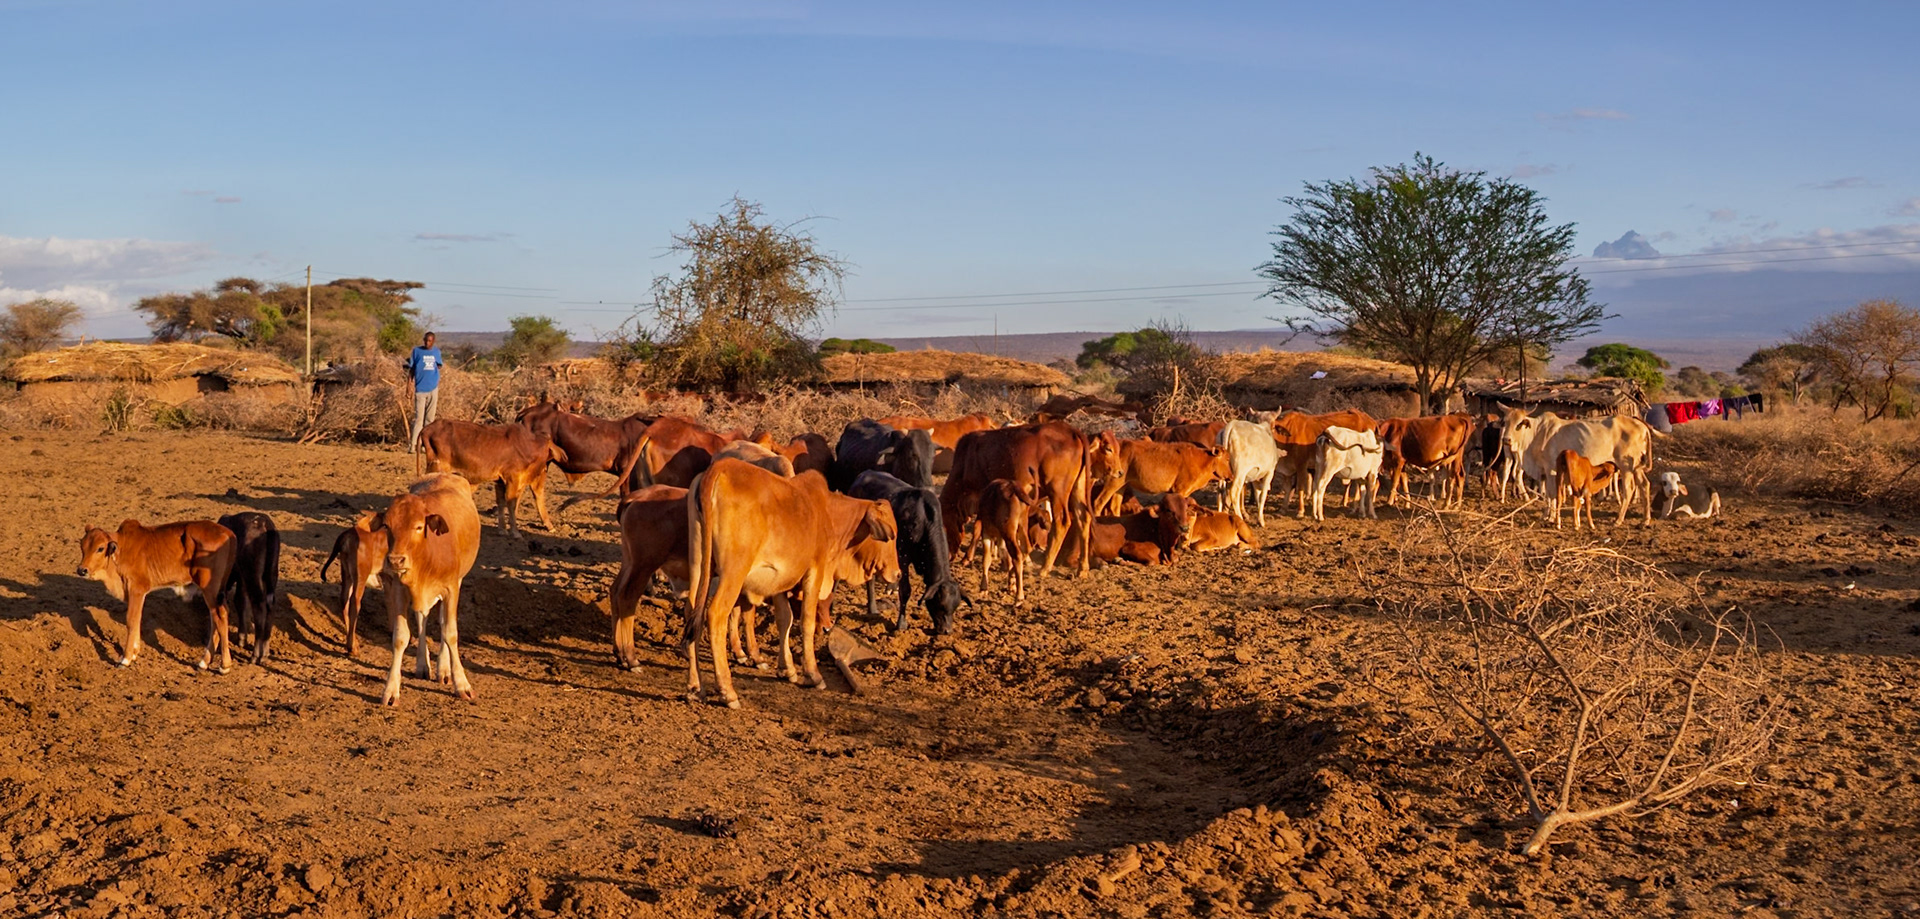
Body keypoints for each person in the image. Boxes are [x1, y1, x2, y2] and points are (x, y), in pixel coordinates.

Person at [406, 332, 443, 452]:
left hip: (433, 389)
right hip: (420, 390)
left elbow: (439, 366)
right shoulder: (417, 351)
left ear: (433, 341)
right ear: (423, 340)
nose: (427, 343)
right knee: (419, 419)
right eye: (426, 341)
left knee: (430, 420)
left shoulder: (436, 352)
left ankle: (425, 446)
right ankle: (413, 446)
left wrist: (434, 378)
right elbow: (411, 370)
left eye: (430, 341)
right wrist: (409, 386)